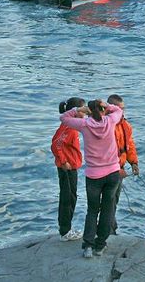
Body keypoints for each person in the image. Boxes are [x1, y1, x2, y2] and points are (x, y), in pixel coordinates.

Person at [60, 98, 124, 258]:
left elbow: (63, 118)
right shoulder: (110, 121)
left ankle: (88, 246)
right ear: (102, 110)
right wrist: (107, 106)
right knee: (108, 209)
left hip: (94, 175)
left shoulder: (84, 125)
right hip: (113, 173)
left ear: (89, 111)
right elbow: (119, 111)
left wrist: (78, 110)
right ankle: (100, 245)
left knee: (92, 210)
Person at [52, 97, 86, 241]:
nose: (85, 113)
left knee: (71, 196)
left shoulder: (71, 127)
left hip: (71, 167)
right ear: (75, 111)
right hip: (67, 168)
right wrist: (64, 161)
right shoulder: (69, 128)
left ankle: (66, 228)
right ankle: (65, 231)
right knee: (68, 198)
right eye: (83, 109)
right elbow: (55, 145)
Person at [107, 94, 139, 235]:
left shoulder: (125, 125)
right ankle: (108, 229)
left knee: (115, 199)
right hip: (108, 170)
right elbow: (106, 151)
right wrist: (116, 169)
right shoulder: (107, 126)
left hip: (120, 168)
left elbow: (129, 145)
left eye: (123, 109)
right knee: (108, 200)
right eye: (119, 109)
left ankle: (111, 226)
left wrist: (133, 162)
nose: (122, 112)